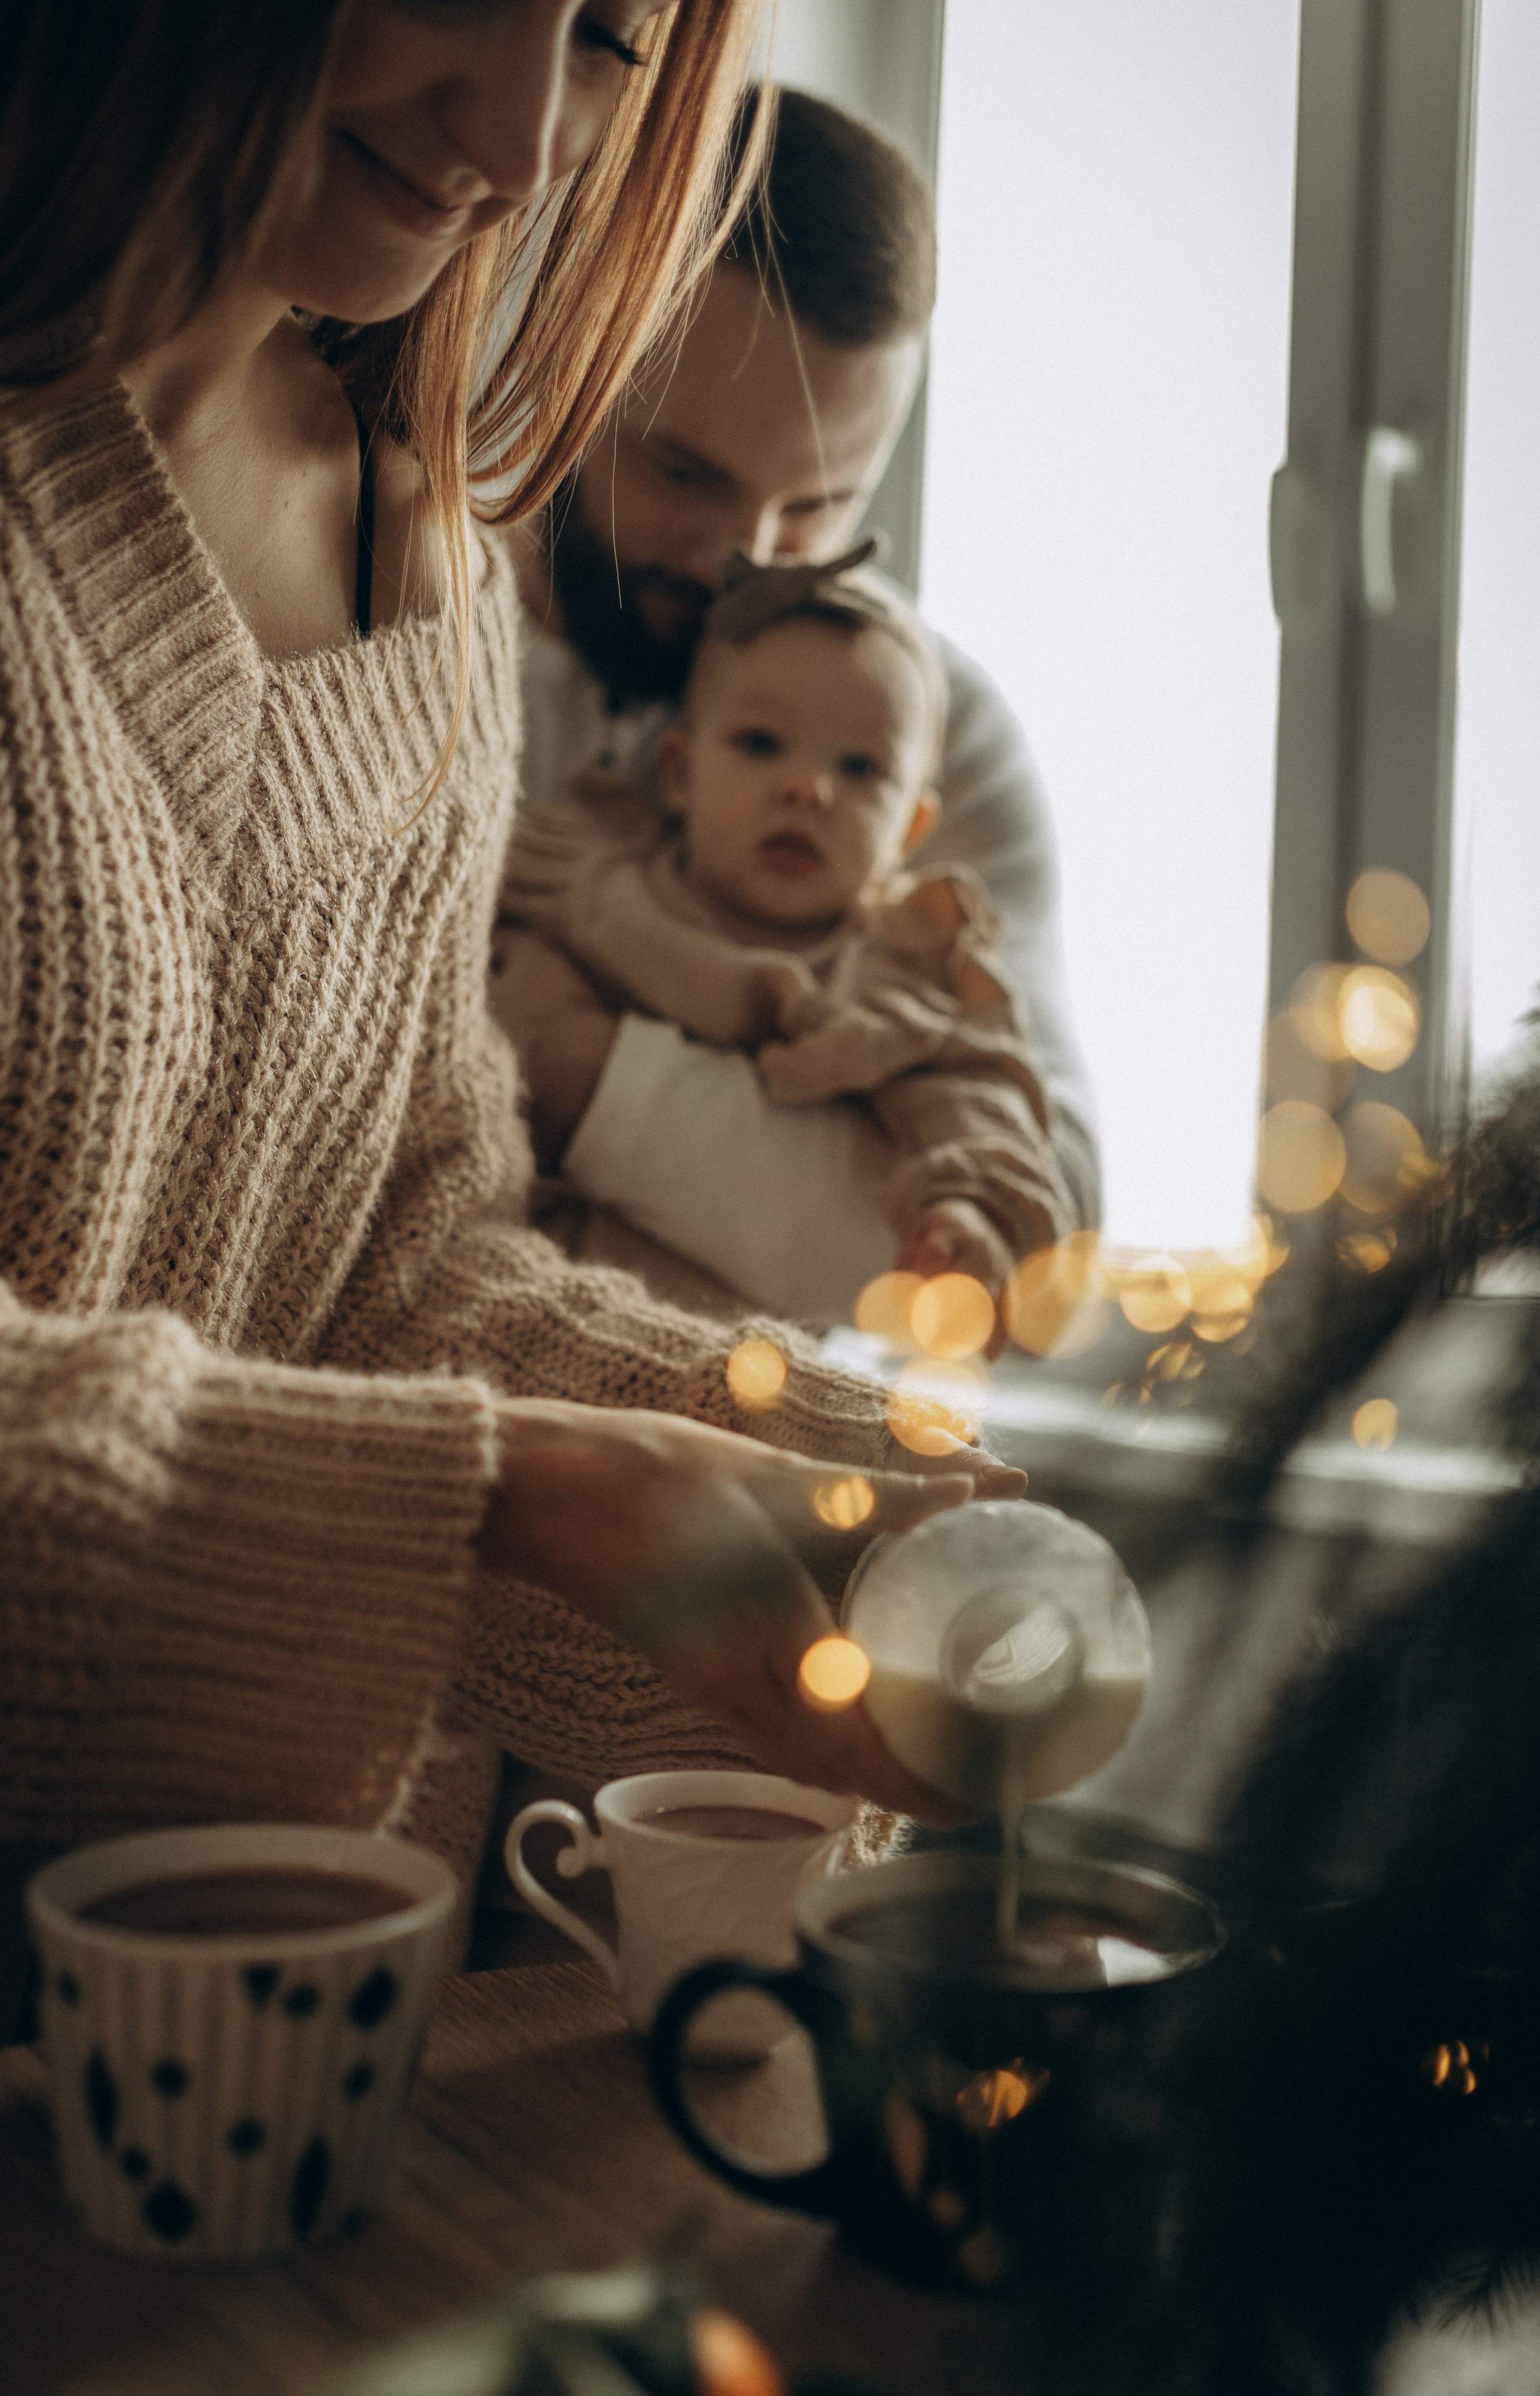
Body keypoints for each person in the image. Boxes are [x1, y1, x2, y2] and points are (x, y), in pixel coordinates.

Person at [0, 0, 1023, 1932]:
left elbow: (398, 1269)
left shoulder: (433, 573)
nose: (527, 134)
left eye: (608, 38)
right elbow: (446, 1437)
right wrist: (501, 1487)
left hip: (235, 2007)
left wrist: (819, 1457)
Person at [504, 85, 1099, 1327]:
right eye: (684, 471)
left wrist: (589, 1082)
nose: (747, 560)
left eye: (820, 505)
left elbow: (1021, 1272)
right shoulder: (392, 605)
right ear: (573, 339)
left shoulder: (929, 734)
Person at [495, 543, 1078, 1315]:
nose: (807, 788)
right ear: (679, 771)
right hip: (511, 1264)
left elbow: (978, 1103)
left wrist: (963, 1210)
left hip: (720, 1341)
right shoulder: (596, 866)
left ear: (911, 830)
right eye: (761, 744)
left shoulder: (895, 970)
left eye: (860, 770)